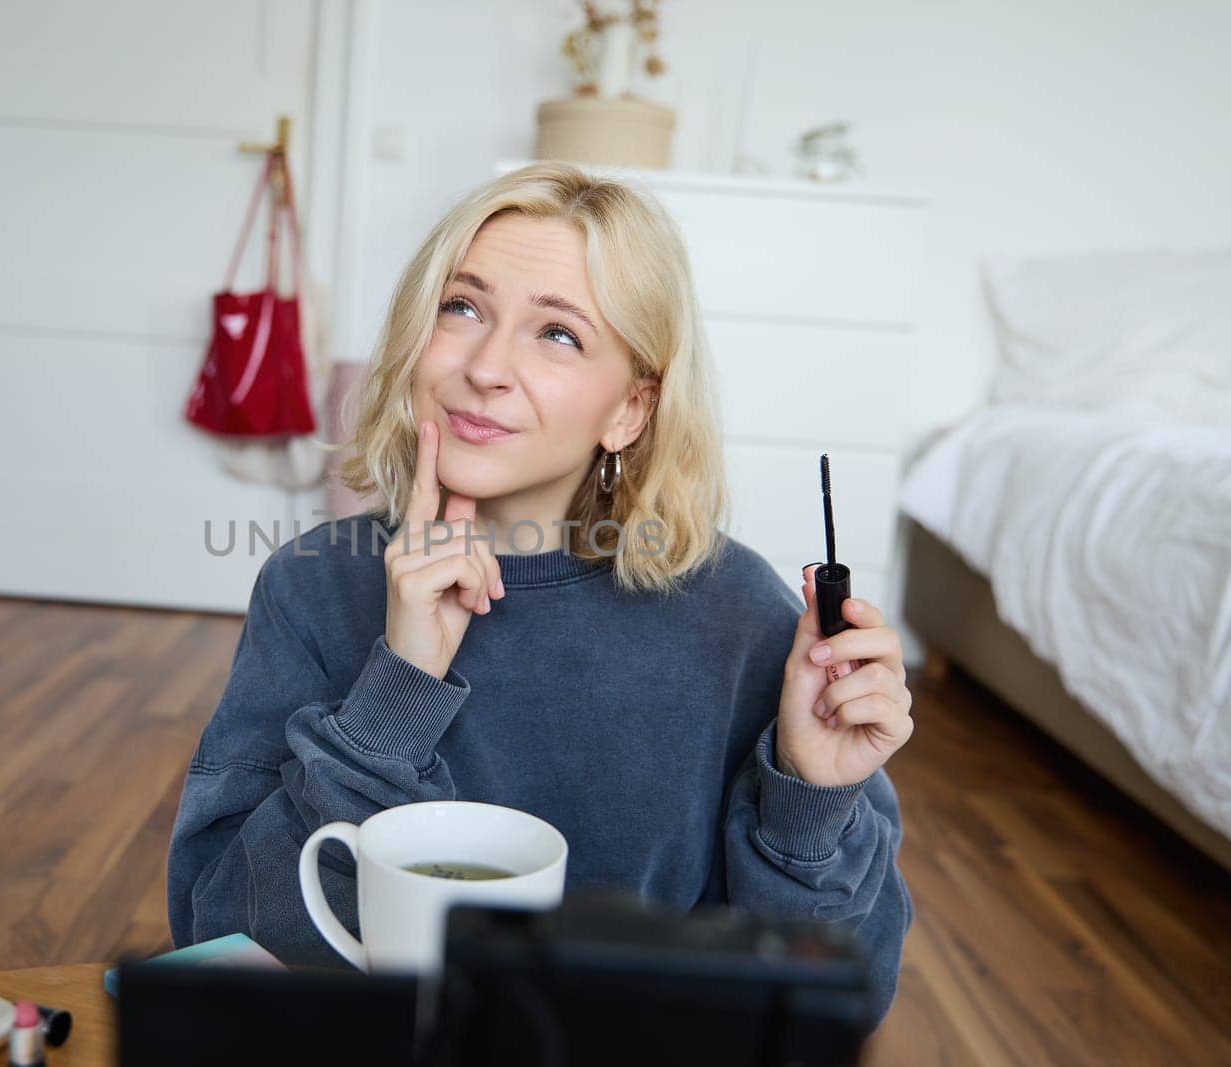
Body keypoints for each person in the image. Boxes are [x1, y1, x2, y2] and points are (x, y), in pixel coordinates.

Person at [167, 161, 915, 1026]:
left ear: (630, 411)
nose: (486, 367)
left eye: (557, 334)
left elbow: (829, 1006)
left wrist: (810, 800)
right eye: (463, 308)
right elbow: (217, 936)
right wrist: (394, 697)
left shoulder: (741, 618)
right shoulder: (313, 585)